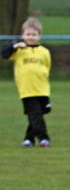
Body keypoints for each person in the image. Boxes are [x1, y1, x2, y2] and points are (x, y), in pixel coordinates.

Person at [2, 17, 52, 147]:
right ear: (23, 35)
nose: (31, 37)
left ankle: (29, 139)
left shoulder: (45, 52)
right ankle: (44, 138)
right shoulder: (18, 51)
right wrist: (14, 45)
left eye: (34, 34)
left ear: (39, 36)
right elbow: (4, 53)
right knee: (35, 114)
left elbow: (47, 67)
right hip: (26, 89)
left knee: (38, 113)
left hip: (42, 88)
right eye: (28, 34)